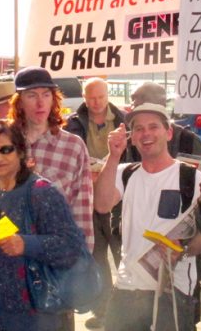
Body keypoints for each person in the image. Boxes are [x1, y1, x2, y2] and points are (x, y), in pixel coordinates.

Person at [94, 102, 201, 331]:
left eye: (153, 127)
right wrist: (113, 156)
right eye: (139, 129)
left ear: (168, 132)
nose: (146, 134)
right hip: (126, 290)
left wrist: (180, 249)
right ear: (132, 137)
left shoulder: (192, 177)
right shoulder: (125, 173)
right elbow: (102, 205)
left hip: (172, 293)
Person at [0, 119, 85, 331]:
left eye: (6, 149)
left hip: (33, 320)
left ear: (20, 152)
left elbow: (71, 246)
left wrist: (27, 244)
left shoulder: (42, 192)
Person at [9, 66, 94, 250]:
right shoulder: (4, 144)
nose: (40, 103)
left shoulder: (73, 146)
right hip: (9, 257)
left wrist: (82, 260)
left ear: (53, 100)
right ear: (19, 102)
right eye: (32, 95)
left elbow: (81, 210)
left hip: (55, 258)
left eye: (46, 95)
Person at [64, 77, 126, 329]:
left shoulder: (124, 120)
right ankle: (103, 310)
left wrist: (104, 167)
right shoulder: (74, 123)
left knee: (123, 255)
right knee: (97, 256)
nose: (95, 102)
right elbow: (74, 158)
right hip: (87, 199)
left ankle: (124, 311)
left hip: (118, 198)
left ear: (108, 94)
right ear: (84, 96)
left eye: (100, 96)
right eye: (90, 97)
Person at [127, 81, 201, 161]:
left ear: (162, 104)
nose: (134, 103)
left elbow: (200, 172)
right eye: (132, 98)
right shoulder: (125, 144)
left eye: (142, 97)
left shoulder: (189, 141)